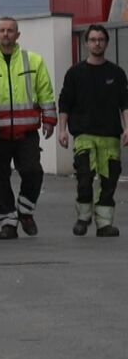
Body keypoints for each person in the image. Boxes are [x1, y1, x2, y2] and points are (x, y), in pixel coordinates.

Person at [0, 17, 57, 239]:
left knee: (33, 172)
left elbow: (45, 90)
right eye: (2, 31)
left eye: (10, 31)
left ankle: (25, 211)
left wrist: (50, 120)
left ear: (18, 35)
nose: (6, 34)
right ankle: (8, 223)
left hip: (26, 133)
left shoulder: (33, 61)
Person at [57, 25, 128, 237]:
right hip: (84, 135)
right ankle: (83, 216)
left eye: (101, 40)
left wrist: (127, 128)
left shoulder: (116, 73)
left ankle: (104, 223)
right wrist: (62, 130)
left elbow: (125, 103)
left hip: (110, 137)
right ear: (86, 43)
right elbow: (65, 103)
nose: (97, 43)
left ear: (106, 43)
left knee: (109, 181)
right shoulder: (75, 73)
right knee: (85, 177)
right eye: (93, 39)